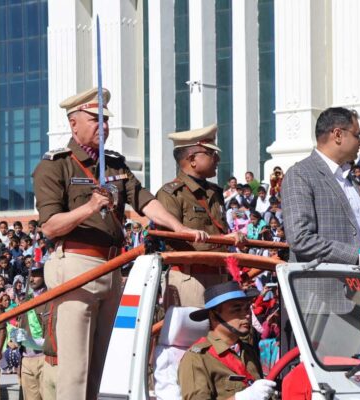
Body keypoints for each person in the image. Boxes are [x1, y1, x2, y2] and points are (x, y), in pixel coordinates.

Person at [32, 87, 207, 399]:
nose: (104, 126)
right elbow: (49, 226)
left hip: (112, 266)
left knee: (103, 365)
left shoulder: (115, 164)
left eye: (106, 120)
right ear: (73, 124)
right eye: (95, 120)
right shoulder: (56, 164)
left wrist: (179, 226)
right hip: (76, 263)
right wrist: (88, 208)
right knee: (76, 368)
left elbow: (145, 201)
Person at [281, 107, 360, 266]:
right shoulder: (300, 174)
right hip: (324, 281)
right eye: (357, 135)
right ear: (338, 135)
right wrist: (359, 254)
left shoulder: (350, 179)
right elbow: (301, 239)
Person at [156, 124, 246, 308]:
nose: (218, 159)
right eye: (211, 153)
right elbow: (172, 240)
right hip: (189, 277)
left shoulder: (215, 192)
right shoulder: (171, 193)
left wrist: (232, 238)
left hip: (220, 275)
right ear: (192, 160)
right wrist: (222, 241)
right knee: (191, 326)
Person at [178, 281, 276, 400]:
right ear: (214, 316)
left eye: (247, 309)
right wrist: (240, 398)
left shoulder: (249, 351)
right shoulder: (197, 358)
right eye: (236, 310)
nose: (247, 315)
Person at [16, 265, 49, 400]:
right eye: (30, 275)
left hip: (44, 356)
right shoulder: (26, 300)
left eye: (35, 275)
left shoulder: (51, 297)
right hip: (26, 357)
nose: (31, 279)